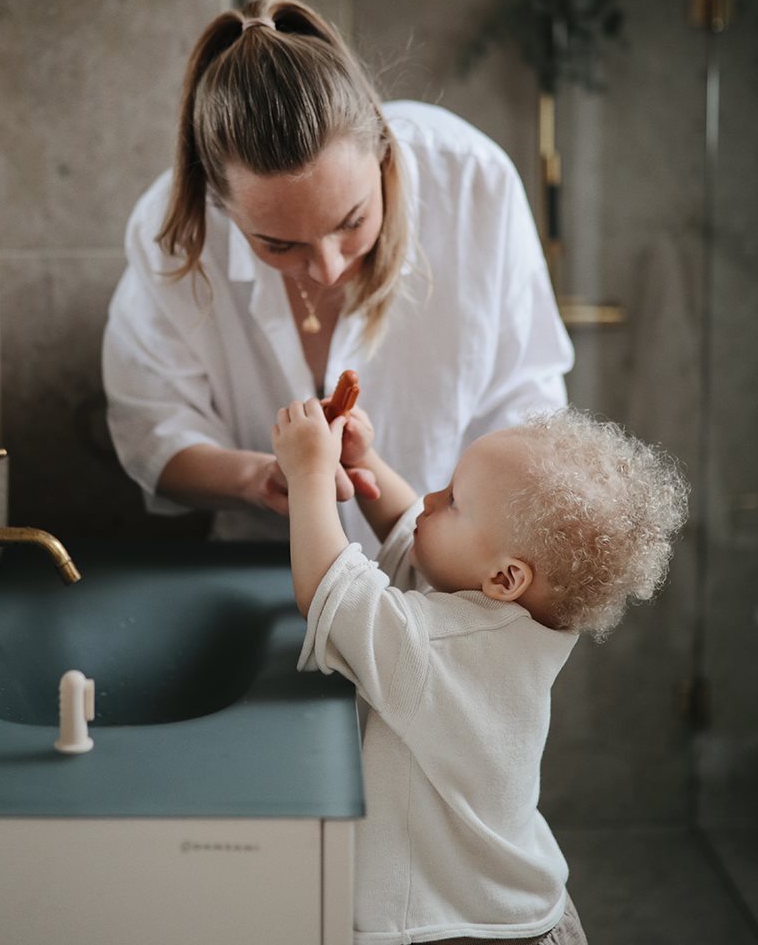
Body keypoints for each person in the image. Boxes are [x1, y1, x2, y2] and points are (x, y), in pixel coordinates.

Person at [102, 0, 574, 553]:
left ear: (383, 153)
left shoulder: (474, 184)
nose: (327, 269)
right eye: (278, 244)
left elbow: (530, 407)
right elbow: (151, 429)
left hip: (453, 573)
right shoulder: (174, 233)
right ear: (221, 207)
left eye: (351, 221)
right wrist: (262, 479)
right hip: (261, 563)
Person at [271, 397, 689, 944]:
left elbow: (332, 592)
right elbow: (412, 533)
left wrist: (307, 473)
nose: (428, 499)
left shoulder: (441, 650)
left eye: (452, 502)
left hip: (456, 929)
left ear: (506, 578)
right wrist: (364, 457)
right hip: (515, 909)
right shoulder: (511, 625)